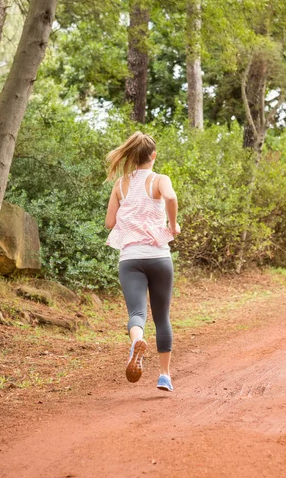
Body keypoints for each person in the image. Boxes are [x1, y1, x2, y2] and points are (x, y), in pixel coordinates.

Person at [104, 131, 180, 392]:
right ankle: (164, 376)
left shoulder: (120, 184)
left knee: (137, 314)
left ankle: (137, 341)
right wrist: (173, 224)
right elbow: (171, 197)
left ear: (132, 157)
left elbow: (109, 223)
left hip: (130, 258)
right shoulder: (160, 180)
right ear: (153, 156)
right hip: (159, 255)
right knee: (162, 317)